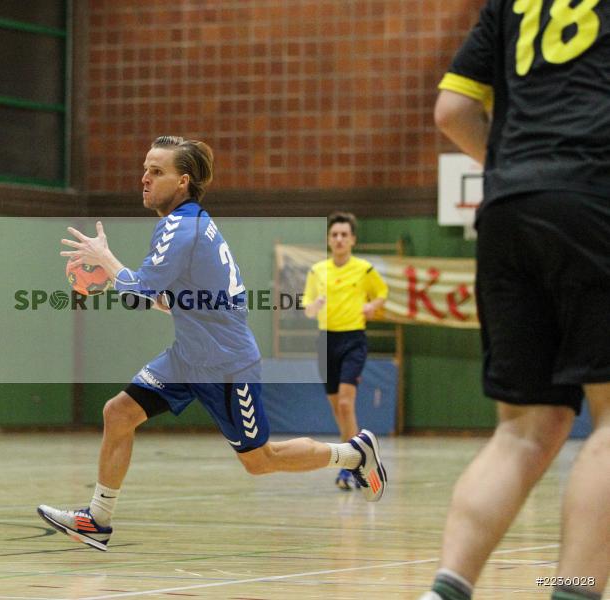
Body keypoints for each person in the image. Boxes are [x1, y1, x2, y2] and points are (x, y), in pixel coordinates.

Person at [37, 136, 387, 552]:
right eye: (145, 168)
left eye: (156, 171)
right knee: (118, 413)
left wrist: (106, 259)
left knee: (259, 461)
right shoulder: (189, 224)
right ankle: (97, 519)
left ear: (182, 182)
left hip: (226, 366)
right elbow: (169, 297)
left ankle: (353, 455)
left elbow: (141, 288)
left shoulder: (181, 227)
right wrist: (121, 282)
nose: (144, 178)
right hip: (188, 357)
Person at [422, 0, 610, 598]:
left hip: (507, 208)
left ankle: (446, 591)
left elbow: (452, 111)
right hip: (595, 199)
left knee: (525, 429)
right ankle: (576, 590)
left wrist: (517, 171)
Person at [303, 212, 388, 491]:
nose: (339, 239)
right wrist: (315, 305)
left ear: (352, 239)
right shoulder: (317, 271)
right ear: (329, 239)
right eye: (334, 235)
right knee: (336, 409)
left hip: (353, 340)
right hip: (326, 342)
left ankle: (350, 466)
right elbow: (307, 307)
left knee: (345, 403)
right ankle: (358, 457)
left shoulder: (364, 270)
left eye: (344, 235)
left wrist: (372, 306)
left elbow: (382, 293)